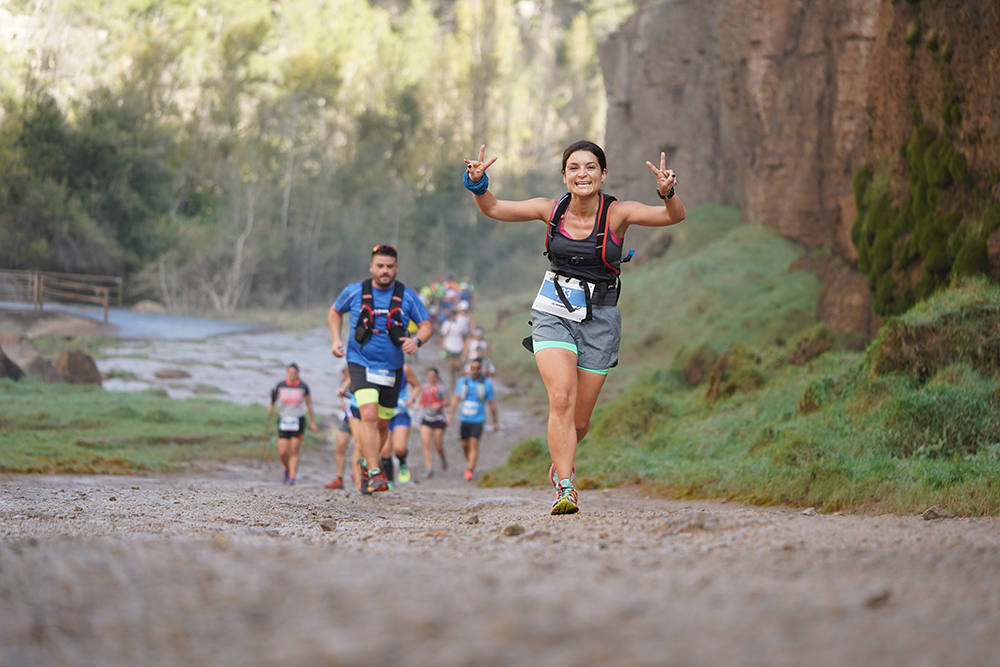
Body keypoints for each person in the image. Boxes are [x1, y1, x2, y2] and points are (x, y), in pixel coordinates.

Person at [462, 140, 685, 514]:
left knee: (578, 423)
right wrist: (477, 184)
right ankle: (566, 487)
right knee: (561, 399)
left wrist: (668, 193)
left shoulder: (618, 214)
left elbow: (673, 217)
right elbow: (494, 208)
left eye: (591, 167)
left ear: (603, 174)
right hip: (554, 311)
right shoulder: (550, 211)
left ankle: (560, 460)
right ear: (564, 175)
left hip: (601, 318)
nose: (583, 174)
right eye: (575, 168)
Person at [328, 244, 432, 494]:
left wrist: (416, 340)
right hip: (360, 362)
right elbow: (334, 311)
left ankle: (365, 462)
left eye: (389, 266)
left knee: (383, 425)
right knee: (369, 416)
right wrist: (335, 339)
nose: (385, 271)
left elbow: (426, 325)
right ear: (371, 267)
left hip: (393, 369)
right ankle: (375, 472)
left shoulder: (407, 296)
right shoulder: (354, 292)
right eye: (380, 266)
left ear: (396, 268)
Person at [447, 358, 498, 481]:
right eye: (472, 368)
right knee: (464, 444)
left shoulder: (487, 384)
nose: (475, 371)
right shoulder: (462, 382)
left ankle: (469, 469)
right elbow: (455, 399)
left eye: (477, 368)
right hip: (464, 418)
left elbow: (492, 404)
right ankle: (471, 462)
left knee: (474, 444)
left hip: (478, 419)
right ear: (469, 369)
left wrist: (495, 422)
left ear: (481, 369)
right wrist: (449, 414)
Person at [268, 362, 319, 485]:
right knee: (282, 451)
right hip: (284, 420)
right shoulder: (280, 385)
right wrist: (271, 408)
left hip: (298, 420)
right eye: (290, 373)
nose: (292, 375)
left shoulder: (303, 386)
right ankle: (287, 467)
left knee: (294, 449)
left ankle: (292, 476)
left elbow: (309, 405)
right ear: (287, 373)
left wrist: (312, 422)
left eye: (294, 373)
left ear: (297, 374)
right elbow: (273, 400)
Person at [379, 363, 420, 487]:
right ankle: (390, 481)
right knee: (385, 451)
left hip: (400, 412)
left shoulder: (404, 369)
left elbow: (417, 386)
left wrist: (411, 399)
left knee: (399, 448)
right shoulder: (377, 368)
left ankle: (402, 462)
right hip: (383, 413)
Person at [325, 367, 354, 490]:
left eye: (345, 371)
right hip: (347, 416)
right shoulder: (343, 381)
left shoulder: (359, 377)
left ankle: (361, 475)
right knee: (340, 445)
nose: (343, 374)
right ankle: (339, 479)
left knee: (362, 448)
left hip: (361, 417)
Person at [418, 367, 449, 477]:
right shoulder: (425, 387)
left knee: (438, 445)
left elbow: (447, 402)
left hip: (438, 419)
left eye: (433, 376)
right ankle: (429, 469)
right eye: (429, 376)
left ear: (436, 376)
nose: (431, 378)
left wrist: (439, 405)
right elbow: (422, 399)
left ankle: (443, 458)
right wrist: (418, 406)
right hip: (426, 418)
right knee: (426, 444)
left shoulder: (441, 388)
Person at [439, 308, 469, 386]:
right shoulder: (446, 324)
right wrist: (443, 347)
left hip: (459, 346)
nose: (453, 316)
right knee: (451, 364)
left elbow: (465, 335)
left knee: (458, 365)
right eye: (452, 315)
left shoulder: (461, 324)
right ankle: (452, 379)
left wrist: (465, 348)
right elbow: (443, 335)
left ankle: (461, 378)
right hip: (449, 346)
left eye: (454, 315)